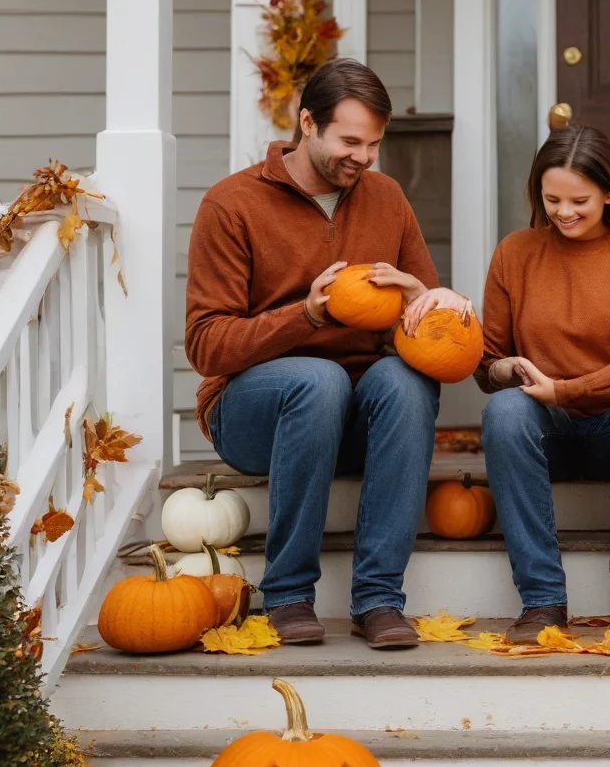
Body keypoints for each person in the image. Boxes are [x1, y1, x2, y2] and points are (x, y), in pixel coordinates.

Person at [185, 58, 463, 649]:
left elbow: (430, 339)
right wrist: (306, 315)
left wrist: (422, 299)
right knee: (318, 380)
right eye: (350, 141)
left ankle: (380, 598)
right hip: (251, 409)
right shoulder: (231, 205)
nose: (363, 158)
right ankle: (287, 593)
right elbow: (207, 345)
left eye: (374, 145)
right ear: (307, 123)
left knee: (407, 383)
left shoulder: (386, 199)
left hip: (356, 415)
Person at [479, 126, 610, 646]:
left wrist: (567, 390)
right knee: (504, 413)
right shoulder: (515, 253)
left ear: (609, 193)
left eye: (580, 200)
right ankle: (542, 601)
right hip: (544, 427)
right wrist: (507, 370)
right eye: (552, 199)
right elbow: (487, 362)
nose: (564, 212)